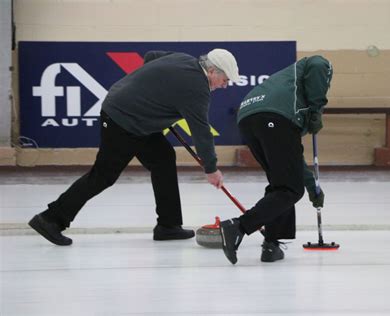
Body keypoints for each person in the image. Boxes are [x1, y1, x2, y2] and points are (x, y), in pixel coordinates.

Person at [28, 48, 240, 246]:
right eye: (225, 80)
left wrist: (154, 95)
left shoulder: (183, 59)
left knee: (163, 159)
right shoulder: (197, 87)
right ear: (211, 71)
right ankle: (50, 219)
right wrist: (211, 169)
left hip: (140, 121)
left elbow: (151, 57)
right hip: (122, 119)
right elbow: (201, 131)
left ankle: (168, 225)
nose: (224, 85)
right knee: (103, 175)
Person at [219, 55, 332, 264]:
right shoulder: (317, 66)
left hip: (248, 119)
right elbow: (318, 63)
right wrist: (317, 111)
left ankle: (272, 244)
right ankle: (238, 226)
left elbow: (294, 160)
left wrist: (311, 185)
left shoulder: (288, 84)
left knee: (282, 184)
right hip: (274, 117)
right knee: (290, 189)